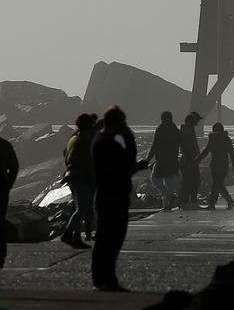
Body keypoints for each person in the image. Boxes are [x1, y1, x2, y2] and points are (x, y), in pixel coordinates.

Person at [90, 105, 147, 292]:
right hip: (112, 196)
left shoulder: (101, 141)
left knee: (109, 238)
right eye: (122, 123)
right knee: (110, 238)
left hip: (109, 194)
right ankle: (103, 279)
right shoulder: (107, 144)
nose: (124, 126)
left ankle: (106, 278)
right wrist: (129, 138)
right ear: (115, 123)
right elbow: (126, 165)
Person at [60, 113, 96, 249]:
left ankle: (75, 237)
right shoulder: (83, 141)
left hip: (72, 176)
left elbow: (66, 155)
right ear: (90, 126)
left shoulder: (73, 138)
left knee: (79, 207)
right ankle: (68, 235)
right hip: (81, 177)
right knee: (82, 208)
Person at [196, 122, 234, 210]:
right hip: (224, 164)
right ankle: (222, 202)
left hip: (215, 164)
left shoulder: (213, 139)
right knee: (218, 184)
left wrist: (197, 159)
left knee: (217, 184)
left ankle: (225, 201)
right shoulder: (226, 139)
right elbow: (232, 153)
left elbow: (206, 151)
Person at [145, 111, 181, 211]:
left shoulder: (161, 129)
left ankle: (168, 198)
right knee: (168, 182)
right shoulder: (175, 129)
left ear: (162, 118)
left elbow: (155, 144)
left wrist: (148, 159)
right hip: (173, 160)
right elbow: (180, 143)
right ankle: (166, 206)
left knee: (155, 180)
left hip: (162, 159)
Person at [177, 112, 202, 208]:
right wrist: (190, 160)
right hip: (189, 160)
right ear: (192, 120)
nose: (198, 121)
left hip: (191, 159)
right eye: (197, 119)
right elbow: (185, 146)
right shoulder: (185, 131)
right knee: (191, 181)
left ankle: (188, 202)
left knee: (192, 181)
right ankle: (187, 202)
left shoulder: (189, 130)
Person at [0, 134, 18, 269]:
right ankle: (1, 255)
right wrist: (9, 183)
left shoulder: (5, 145)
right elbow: (14, 166)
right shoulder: (5, 145)